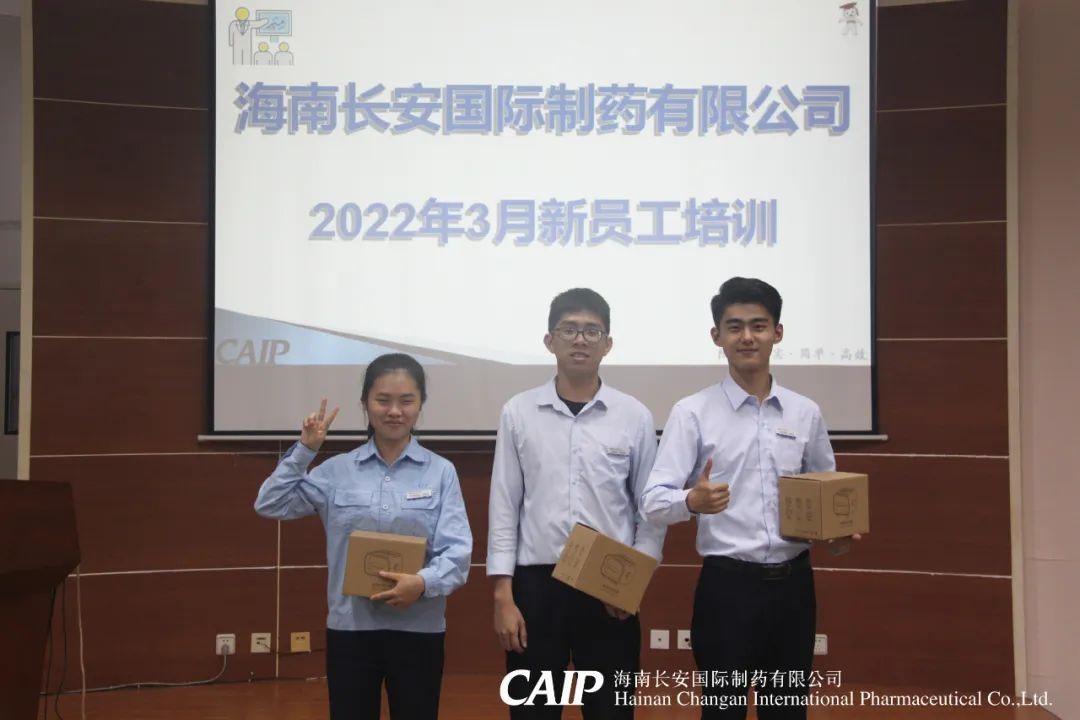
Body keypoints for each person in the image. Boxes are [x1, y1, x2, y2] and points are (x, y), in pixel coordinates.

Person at [641, 277, 860, 720]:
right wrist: (692, 501)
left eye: (758, 326)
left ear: (777, 333)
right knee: (723, 711)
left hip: (794, 586)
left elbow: (827, 491)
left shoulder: (805, 412)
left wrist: (838, 535)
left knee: (787, 711)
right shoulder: (692, 413)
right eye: (734, 326)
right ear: (716, 336)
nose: (747, 337)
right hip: (727, 588)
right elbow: (653, 501)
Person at [255, 353, 472, 720]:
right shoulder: (336, 471)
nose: (394, 411)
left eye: (406, 401)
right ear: (365, 404)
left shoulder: (441, 472)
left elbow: (458, 553)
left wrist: (421, 583)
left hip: (419, 628)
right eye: (383, 400)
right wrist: (305, 450)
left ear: (420, 405)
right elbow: (270, 503)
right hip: (351, 629)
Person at [488, 288, 667, 719]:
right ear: (550, 341)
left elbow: (650, 511)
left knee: (610, 712)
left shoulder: (634, 416)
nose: (581, 339)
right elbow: (504, 506)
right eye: (569, 330)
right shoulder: (519, 412)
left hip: (608, 586)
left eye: (592, 331)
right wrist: (503, 596)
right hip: (536, 588)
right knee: (533, 713)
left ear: (608, 343)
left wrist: (633, 582)